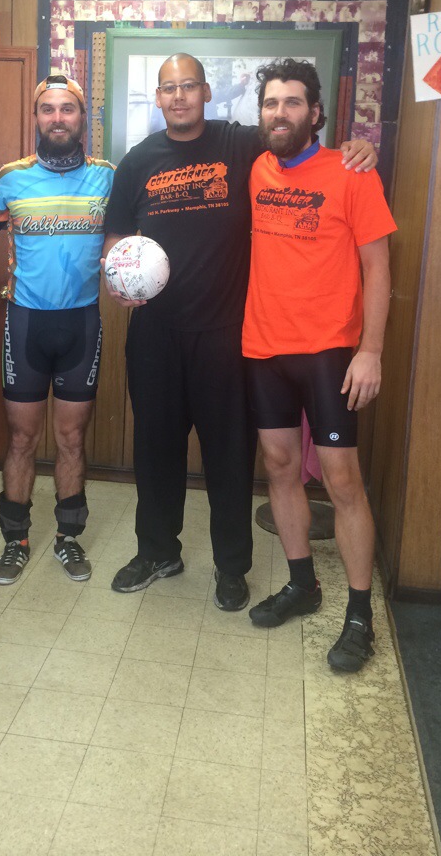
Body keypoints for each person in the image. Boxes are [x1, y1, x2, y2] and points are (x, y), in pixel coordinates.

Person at [102, 53, 377, 612]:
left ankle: (232, 567)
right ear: (158, 98)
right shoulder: (137, 161)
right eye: (168, 88)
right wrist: (118, 276)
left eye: (189, 86)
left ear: (207, 92)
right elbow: (115, 236)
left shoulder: (238, 143)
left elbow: (295, 139)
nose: (179, 96)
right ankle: (157, 552)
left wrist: (362, 146)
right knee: (155, 450)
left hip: (227, 334)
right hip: (155, 333)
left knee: (229, 457)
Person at [243, 59, 396, 671]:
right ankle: (303, 583)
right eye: (270, 103)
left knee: (342, 483)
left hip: (330, 351)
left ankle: (359, 616)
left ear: (315, 112)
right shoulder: (256, 166)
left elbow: (378, 268)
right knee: (280, 469)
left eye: (292, 102)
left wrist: (371, 350)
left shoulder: (352, 172)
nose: (279, 112)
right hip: (263, 347)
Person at [0, 75, 115, 586]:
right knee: (21, 438)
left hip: (82, 323)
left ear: (82, 118)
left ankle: (68, 537)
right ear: (36, 118)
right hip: (26, 324)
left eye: (67, 109)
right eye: (48, 109)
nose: (57, 118)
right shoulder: (10, 178)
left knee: (71, 438)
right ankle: (14, 541)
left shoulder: (108, 177)